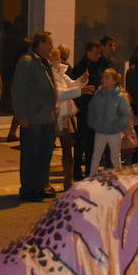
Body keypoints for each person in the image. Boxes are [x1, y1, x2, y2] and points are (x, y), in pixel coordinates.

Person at [12, 31, 58, 202]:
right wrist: (22, 116)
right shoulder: (27, 62)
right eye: (49, 43)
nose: (51, 47)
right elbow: (18, 91)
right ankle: (29, 188)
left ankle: (41, 185)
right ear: (40, 44)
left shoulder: (43, 63)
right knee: (31, 154)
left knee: (44, 154)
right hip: (33, 117)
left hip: (47, 117)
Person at [50, 44, 90, 190]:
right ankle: (61, 180)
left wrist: (82, 80)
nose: (60, 62)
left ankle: (68, 180)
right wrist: (81, 90)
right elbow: (60, 94)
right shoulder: (51, 75)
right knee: (59, 147)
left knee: (67, 147)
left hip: (63, 115)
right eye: (57, 59)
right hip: (55, 115)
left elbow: (72, 85)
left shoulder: (60, 73)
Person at [69, 40, 108, 180]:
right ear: (88, 52)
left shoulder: (100, 65)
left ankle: (90, 170)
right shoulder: (81, 67)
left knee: (92, 140)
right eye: (96, 52)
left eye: (99, 53)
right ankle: (77, 169)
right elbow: (74, 87)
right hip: (85, 107)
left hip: (96, 108)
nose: (98, 55)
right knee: (81, 140)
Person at [86, 68, 132, 175]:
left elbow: (125, 114)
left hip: (114, 131)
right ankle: (91, 177)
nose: (104, 79)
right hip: (100, 130)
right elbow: (91, 109)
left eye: (107, 77)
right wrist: (93, 123)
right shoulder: (98, 94)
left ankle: (120, 177)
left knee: (115, 157)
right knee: (96, 155)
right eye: (103, 77)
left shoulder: (120, 97)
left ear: (114, 80)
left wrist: (117, 127)